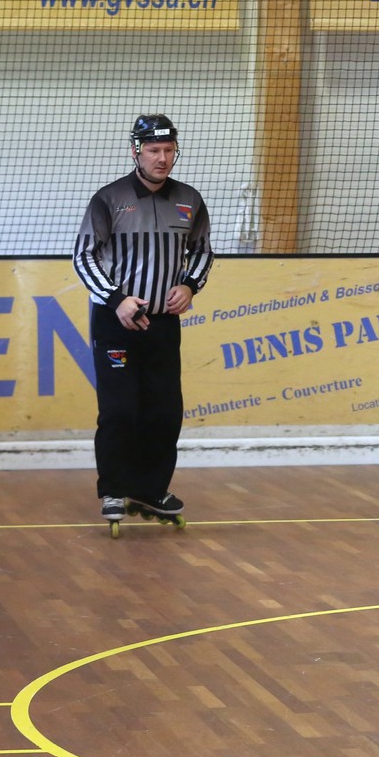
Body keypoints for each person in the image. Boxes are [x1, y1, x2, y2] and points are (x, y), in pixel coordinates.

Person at [72, 114, 214, 533]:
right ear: (136, 151)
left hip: (163, 324)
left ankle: (150, 488)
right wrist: (117, 300)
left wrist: (189, 286)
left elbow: (202, 252)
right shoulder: (109, 199)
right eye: (153, 150)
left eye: (169, 150)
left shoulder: (189, 199)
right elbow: (84, 257)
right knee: (119, 409)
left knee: (165, 410)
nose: (162, 158)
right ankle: (115, 489)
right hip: (115, 321)